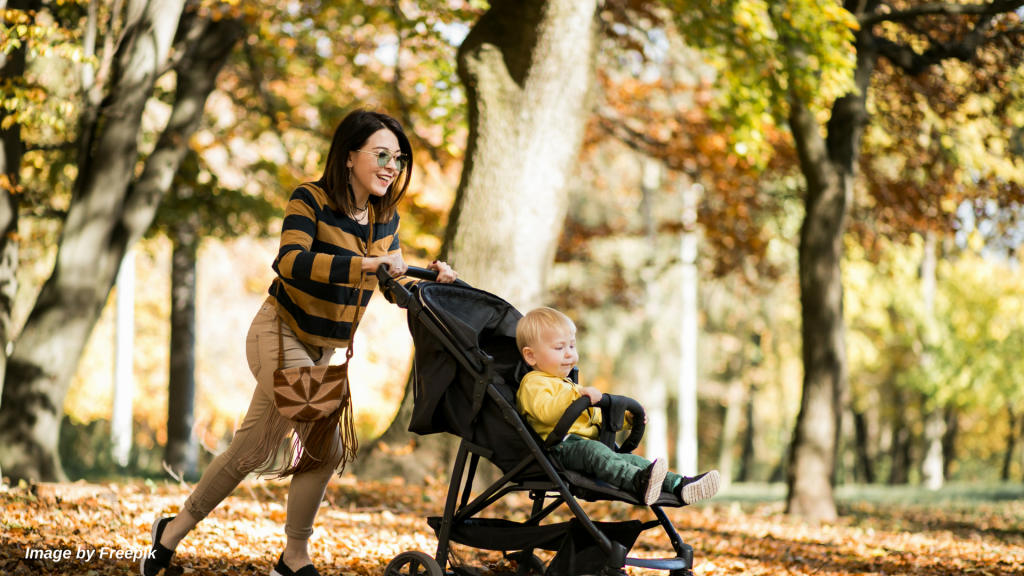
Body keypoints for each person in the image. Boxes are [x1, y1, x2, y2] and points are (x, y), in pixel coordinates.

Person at [141, 110, 458, 576]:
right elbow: (290, 261)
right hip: (277, 333)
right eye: (382, 154)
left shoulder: (382, 219)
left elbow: (394, 287)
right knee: (322, 442)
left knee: (249, 452)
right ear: (350, 156)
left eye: (399, 158)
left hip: (322, 351)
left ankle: (168, 538)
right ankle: (294, 558)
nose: (392, 166)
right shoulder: (309, 199)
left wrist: (433, 279)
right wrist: (362, 266)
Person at [515, 307, 719, 506]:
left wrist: (625, 420)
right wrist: (575, 395)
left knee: (632, 461)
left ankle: (679, 484)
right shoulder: (533, 383)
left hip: (586, 445)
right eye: (559, 348)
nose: (569, 354)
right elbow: (545, 412)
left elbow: (593, 417)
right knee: (595, 452)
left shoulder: (568, 385)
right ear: (531, 356)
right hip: (558, 448)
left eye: (572, 346)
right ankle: (638, 483)